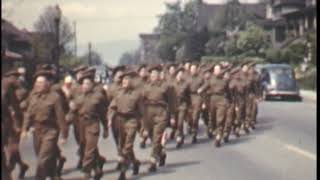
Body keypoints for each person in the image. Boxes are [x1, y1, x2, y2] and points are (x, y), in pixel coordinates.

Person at [20, 68, 69, 180]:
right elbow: (28, 114)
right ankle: (54, 176)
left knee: (42, 159)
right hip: (37, 131)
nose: (38, 85)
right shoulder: (33, 96)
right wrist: (24, 130)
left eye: (41, 82)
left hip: (50, 131)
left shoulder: (54, 97)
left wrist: (64, 135)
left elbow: (61, 118)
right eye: (37, 82)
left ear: (47, 84)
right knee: (46, 157)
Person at [66, 68, 108, 179]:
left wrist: (106, 128)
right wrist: (66, 122)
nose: (85, 86)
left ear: (92, 85)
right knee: (84, 147)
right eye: (83, 83)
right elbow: (72, 111)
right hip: (81, 125)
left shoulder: (98, 97)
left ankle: (87, 172)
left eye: (87, 83)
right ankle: (97, 169)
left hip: (93, 124)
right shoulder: (79, 98)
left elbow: (103, 114)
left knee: (89, 149)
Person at [108, 71, 143, 180]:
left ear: (131, 82)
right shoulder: (118, 93)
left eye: (127, 80)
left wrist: (143, 127)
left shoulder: (137, 94)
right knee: (123, 146)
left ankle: (123, 171)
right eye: (123, 80)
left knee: (127, 147)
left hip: (132, 121)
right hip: (120, 120)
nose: (124, 82)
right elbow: (112, 107)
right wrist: (110, 118)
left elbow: (142, 112)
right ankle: (135, 163)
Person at [143, 65, 175, 172]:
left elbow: (171, 102)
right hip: (149, 114)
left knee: (157, 138)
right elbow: (141, 102)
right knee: (153, 139)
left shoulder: (166, 86)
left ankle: (152, 161)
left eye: (155, 74)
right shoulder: (146, 86)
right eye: (152, 74)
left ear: (159, 75)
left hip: (161, 113)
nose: (153, 76)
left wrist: (172, 116)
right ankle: (161, 153)